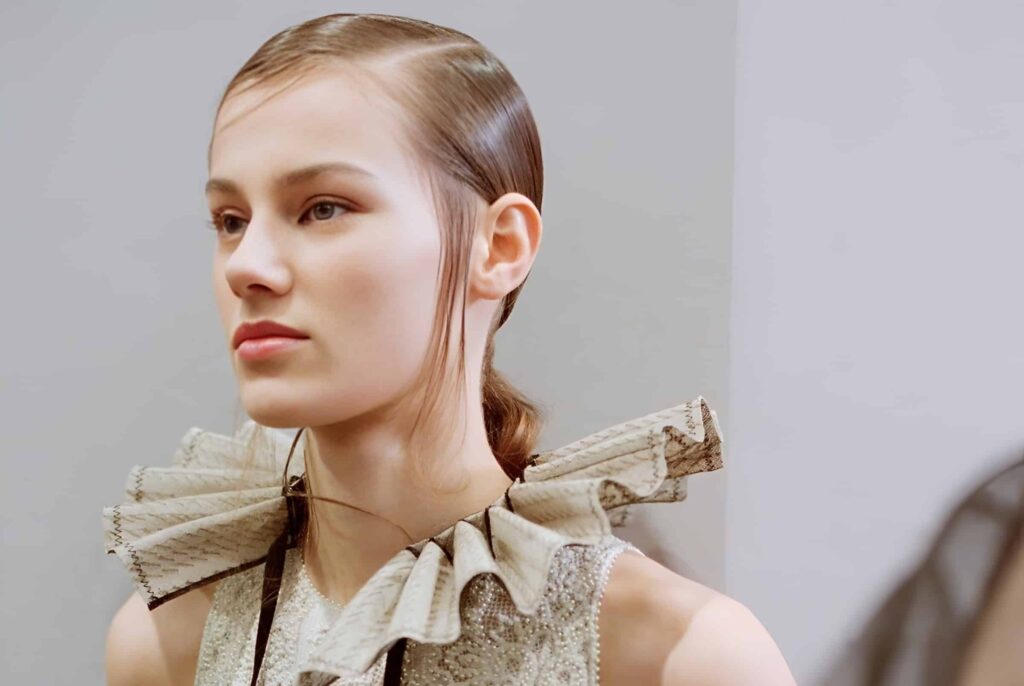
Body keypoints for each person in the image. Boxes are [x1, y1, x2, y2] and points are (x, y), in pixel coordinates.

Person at [102, 13, 795, 686]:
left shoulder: (676, 657)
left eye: (323, 207)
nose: (246, 266)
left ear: (499, 247)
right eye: (230, 220)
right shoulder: (166, 645)